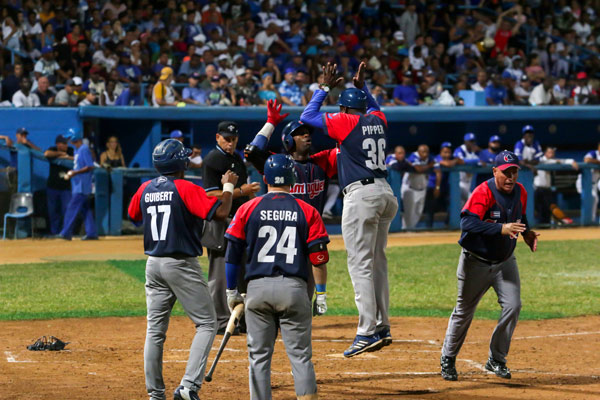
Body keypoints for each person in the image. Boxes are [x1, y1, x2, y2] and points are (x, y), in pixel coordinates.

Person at [300, 62, 398, 357]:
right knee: (378, 263)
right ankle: (382, 326)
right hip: (386, 193)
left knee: (360, 265)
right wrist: (363, 87)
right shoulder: (378, 120)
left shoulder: (346, 121)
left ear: (343, 109)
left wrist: (324, 87)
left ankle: (367, 331)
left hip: (363, 196)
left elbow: (307, 116)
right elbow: (375, 106)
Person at [127, 139, 238, 400]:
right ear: (181, 163)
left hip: (153, 265)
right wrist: (229, 186)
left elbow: (133, 214)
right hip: (180, 264)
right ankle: (189, 386)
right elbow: (221, 213)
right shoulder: (186, 188)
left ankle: (155, 394)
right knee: (208, 323)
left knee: (155, 330)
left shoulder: (145, 188)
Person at [224, 154, 329, 400]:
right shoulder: (308, 210)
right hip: (294, 290)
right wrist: (321, 294)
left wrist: (231, 292)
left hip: (257, 291)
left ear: (264, 178)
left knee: (258, 358)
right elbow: (318, 259)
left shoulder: (247, 208)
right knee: (301, 356)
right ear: (293, 179)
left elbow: (231, 255)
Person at [440, 150, 539, 382]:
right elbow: (466, 222)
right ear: (495, 171)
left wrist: (527, 233)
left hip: (505, 262)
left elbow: (519, 217)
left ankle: (496, 358)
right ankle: (448, 358)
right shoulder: (483, 191)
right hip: (476, 262)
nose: (510, 177)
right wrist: (500, 229)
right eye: (506, 172)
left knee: (513, 306)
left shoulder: (521, 192)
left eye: (514, 172)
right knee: (464, 312)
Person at [202, 121, 261, 332]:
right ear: (217, 137)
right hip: (219, 222)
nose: (230, 143)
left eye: (234, 139)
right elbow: (209, 195)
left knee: (242, 270)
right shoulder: (212, 160)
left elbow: (244, 192)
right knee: (220, 274)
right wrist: (241, 192)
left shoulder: (236, 158)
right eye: (227, 139)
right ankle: (220, 322)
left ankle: (240, 319)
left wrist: (249, 199)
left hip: (239, 221)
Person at [59, 129, 98, 240]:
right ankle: (91, 233)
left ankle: (66, 232)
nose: (68, 140)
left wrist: (74, 172)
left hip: (82, 185)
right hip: (77, 184)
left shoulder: (84, 149)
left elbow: (90, 166)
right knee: (85, 209)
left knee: (72, 208)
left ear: (75, 137)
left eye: (70, 137)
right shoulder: (77, 150)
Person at [534, 147, 577, 225]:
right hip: (538, 189)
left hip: (547, 189)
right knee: (543, 209)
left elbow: (558, 161)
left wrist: (571, 161)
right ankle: (562, 220)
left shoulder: (551, 162)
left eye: (553, 153)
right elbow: (557, 161)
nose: (551, 154)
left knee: (547, 210)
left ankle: (549, 225)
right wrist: (571, 161)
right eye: (549, 152)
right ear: (545, 153)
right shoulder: (540, 160)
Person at [424, 142, 463, 228]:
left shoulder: (452, 158)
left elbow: (461, 161)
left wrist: (455, 160)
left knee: (453, 203)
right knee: (430, 209)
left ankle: (447, 224)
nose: (447, 154)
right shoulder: (436, 158)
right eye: (445, 152)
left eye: (449, 152)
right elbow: (441, 171)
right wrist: (437, 188)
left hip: (444, 187)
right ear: (441, 152)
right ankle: (428, 228)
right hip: (433, 186)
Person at [44, 134, 74, 235]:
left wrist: (66, 157)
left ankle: (66, 232)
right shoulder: (52, 149)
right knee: (53, 212)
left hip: (65, 188)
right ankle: (54, 232)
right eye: (63, 143)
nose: (65, 146)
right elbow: (47, 154)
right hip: (52, 187)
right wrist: (59, 154)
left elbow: (76, 158)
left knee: (67, 210)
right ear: (57, 144)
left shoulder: (70, 150)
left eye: (66, 143)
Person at [401, 144, 434, 229]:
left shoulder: (429, 158)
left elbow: (437, 167)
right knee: (409, 212)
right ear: (418, 152)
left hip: (422, 189)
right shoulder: (413, 156)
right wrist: (430, 166)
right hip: (410, 188)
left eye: (427, 152)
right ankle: (406, 230)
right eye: (423, 152)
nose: (425, 154)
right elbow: (418, 168)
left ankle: (410, 229)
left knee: (418, 212)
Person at [454, 133, 481, 203]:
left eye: (473, 141)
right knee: (458, 205)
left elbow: (483, 161)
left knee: (470, 205)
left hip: (470, 183)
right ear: (465, 142)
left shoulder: (475, 151)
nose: (473, 143)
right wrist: (476, 161)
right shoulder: (460, 149)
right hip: (460, 182)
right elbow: (459, 161)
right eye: (470, 141)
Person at [577, 142, 600, 224]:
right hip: (583, 181)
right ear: (598, 147)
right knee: (592, 198)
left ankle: (591, 220)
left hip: (594, 183)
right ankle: (587, 221)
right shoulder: (594, 153)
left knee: (595, 199)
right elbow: (586, 160)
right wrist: (598, 162)